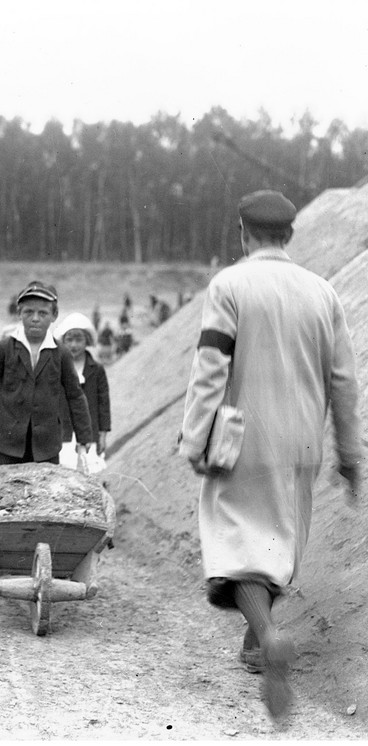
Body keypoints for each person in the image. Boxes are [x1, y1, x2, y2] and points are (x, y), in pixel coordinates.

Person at [179, 190, 362, 722]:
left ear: (243, 232)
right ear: (290, 234)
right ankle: (257, 642)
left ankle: (268, 636)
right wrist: (348, 453)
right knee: (275, 546)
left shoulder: (230, 285)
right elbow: (345, 382)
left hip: (241, 442)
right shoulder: (322, 293)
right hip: (301, 443)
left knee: (236, 547)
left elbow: (211, 367)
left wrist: (195, 440)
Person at [0, 282, 92, 465]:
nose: (35, 319)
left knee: (45, 490)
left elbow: (75, 396)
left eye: (43, 313)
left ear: (54, 316)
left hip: (46, 444)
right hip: (6, 442)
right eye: (29, 312)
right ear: (19, 314)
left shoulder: (60, 352)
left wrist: (84, 437)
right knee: (5, 489)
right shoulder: (5, 348)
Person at [54, 312, 111, 459]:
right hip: (62, 434)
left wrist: (103, 435)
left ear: (87, 340)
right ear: (63, 342)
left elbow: (103, 404)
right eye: (69, 340)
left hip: (90, 433)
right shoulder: (56, 368)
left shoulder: (96, 369)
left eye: (79, 340)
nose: (74, 345)